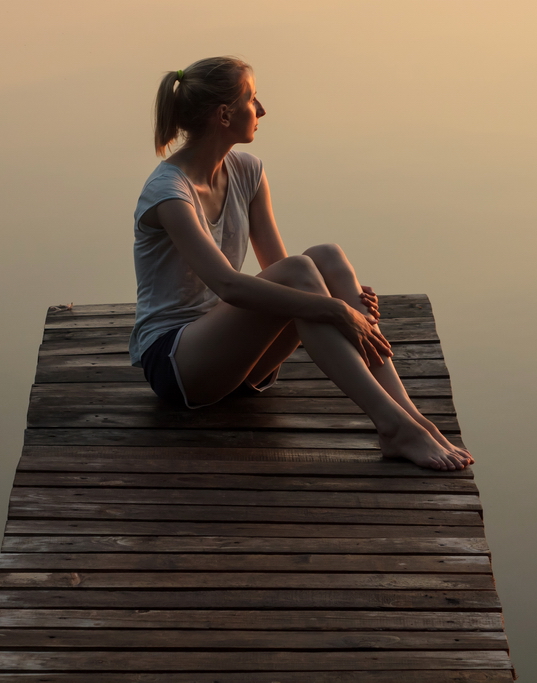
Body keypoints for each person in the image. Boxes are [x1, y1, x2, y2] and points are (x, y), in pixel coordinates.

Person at [130, 56, 472, 471]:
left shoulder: (247, 171)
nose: (262, 110)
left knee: (325, 257)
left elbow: (282, 268)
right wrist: (336, 308)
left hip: (238, 361)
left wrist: (338, 296)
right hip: (178, 364)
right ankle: (392, 426)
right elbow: (230, 286)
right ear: (224, 115)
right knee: (303, 276)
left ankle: (408, 418)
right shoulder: (170, 193)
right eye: (252, 98)